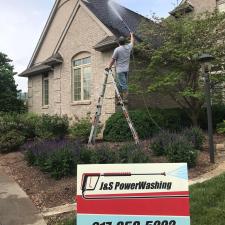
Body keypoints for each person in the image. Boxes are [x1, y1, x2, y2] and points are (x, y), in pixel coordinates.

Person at [107, 32, 134, 103]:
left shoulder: (117, 49)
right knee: (120, 84)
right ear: (125, 42)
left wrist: (109, 67)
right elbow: (132, 42)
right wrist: (131, 35)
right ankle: (119, 98)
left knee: (123, 84)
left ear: (119, 43)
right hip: (126, 70)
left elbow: (113, 60)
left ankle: (125, 99)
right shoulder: (128, 47)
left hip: (120, 70)